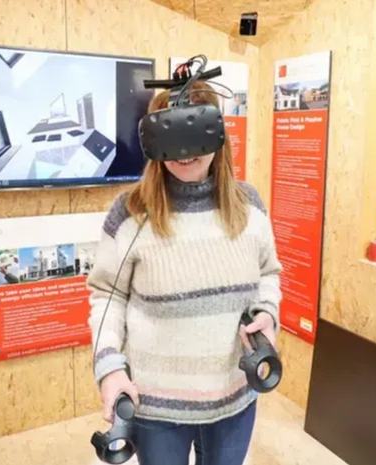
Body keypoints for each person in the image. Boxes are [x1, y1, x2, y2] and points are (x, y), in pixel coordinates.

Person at [87, 81, 282, 465]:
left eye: (195, 134)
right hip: (157, 409)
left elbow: (268, 274)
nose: (184, 152)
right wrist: (109, 369)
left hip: (234, 399)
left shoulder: (249, 205)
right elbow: (108, 298)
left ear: (217, 135)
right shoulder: (130, 213)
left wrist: (267, 313)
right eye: (171, 136)